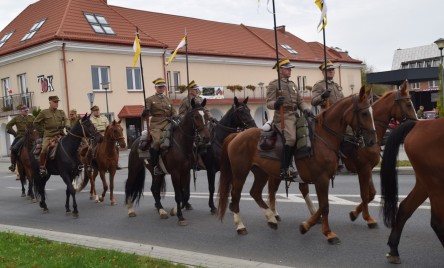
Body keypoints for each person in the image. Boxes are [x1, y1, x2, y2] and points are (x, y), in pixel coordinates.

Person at [266, 59, 313, 182]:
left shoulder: (292, 84)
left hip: (295, 115)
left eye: (290, 68)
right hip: (283, 116)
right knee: (291, 138)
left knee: (310, 131)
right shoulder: (274, 84)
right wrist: (276, 103)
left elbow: (300, 101)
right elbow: (268, 103)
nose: (290, 70)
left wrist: (306, 110)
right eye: (287, 68)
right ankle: (285, 167)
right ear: (280, 70)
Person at [142, 78, 177, 175]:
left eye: (163, 87)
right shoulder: (150, 99)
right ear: (155, 88)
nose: (161, 88)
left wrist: (176, 116)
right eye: (159, 87)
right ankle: (156, 165)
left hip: (168, 122)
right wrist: (145, 112)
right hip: (156, 124)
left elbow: (173, 112)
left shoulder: (168, 99)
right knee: (157, 142)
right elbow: (145, 114)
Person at [33, 96, 69, 176]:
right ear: (50, 102)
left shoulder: (61, 112)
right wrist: (43, 131)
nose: (57, 104)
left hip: (60, 133)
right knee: (44, 148)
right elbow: (35, 123)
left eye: (57, 102)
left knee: (72, 143)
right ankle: (42, 166)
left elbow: (66, 120)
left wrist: (67, 125)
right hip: (49, 135)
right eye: (55, 102)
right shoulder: (44, 112)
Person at [89, 105, 122, 170]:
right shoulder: (90, 119)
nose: (97, 112)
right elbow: (90, 129)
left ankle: (116, 163)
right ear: (92, 112)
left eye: (98, 110)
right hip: (96, 136)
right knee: (91, 149)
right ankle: (91, 164)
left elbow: (108, 127)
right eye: (95, 111)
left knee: (116, 148)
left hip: (105, 135)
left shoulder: (104, 118)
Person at [6, 105, 35, 172]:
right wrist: (14, 134)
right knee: (13, 149)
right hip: (20, 136)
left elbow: (36, 124)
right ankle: (13, 165)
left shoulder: (32, 117)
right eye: (24, 111)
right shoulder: (17, 118)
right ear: (21, 111)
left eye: (27, 110)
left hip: (31, 136)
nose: (26, 112)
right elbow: (8, 126)